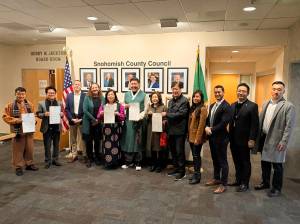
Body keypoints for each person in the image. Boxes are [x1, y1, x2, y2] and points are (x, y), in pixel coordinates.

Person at [254, 81, 296, 197]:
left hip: (277, 140)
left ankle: (277, 188)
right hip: (264, 137)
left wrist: (284, 141)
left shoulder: (288, 106)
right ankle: (265, 182)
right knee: (264, 162)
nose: (276, 91)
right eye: (274, 89)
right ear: (271, 90)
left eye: (279, 89)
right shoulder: (266, 103)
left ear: (283, 91)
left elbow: (289, 126)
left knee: (277, 165)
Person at [228, 83, 259, 192]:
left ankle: (245, 183)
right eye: (239, 90)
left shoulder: (252, 106)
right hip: (233, 139)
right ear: (236, 91)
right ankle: (238, 180)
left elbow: (255, 125)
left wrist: (252, 139)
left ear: (247, 93)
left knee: (245, 162)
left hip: (245, 140)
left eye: (243, 91)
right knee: (236, 161)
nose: (241, 93)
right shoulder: (232, 105)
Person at [2, 87, 38, 176]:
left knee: (29, 148)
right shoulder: (10, 105)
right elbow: (5, 117)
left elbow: (34, 115)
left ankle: (29, 163)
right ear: (15, 94)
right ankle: (18, 167)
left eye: (22, 94)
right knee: (18, 150)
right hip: (17, 131)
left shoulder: (30, 104)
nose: (21, 96)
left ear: (25, 95)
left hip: (28, 131)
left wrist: (34, 120)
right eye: (19, 94)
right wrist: (18, 120)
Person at [205, 85, 232, 194]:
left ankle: (223, 184)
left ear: (223, 92)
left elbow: (223, 123)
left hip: (221, 138)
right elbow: (208, 119)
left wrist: (211, 129)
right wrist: (206, 126)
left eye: (219, 92)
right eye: (215, 92)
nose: (217, 94)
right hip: (212, 137)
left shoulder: (227, 106)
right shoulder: (212, 105)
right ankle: (216, 178)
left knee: (223, 161)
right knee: (215, 159)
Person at [163, 82, 189, 180]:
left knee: (179, 152)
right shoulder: (170, 101)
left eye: (176, 89)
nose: (175, 91)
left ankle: (182, 172)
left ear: (180, 89)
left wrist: (166, 114)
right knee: (173, 151)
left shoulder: (185, 101)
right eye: (173, 89)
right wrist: (166, 118)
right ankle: (176, 168)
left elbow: (181, 114)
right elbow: (172, 114)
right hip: (171, 130)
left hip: (180, 131)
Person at [121, 77, 149, 171]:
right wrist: (125, 106)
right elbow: (123, 106)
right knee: (129, 141)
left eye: (135, 84)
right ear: (129, 84)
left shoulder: (144, 95)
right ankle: (129, 161)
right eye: (132, 84)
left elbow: (146, 109)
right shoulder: (126, 94)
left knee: (138, 141)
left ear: (139, 84)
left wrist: (139, 117)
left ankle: (138, 162)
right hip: (129, 121)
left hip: (139, 121)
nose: (133, 85)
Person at [36, 86, 64, 169]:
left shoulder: (60, 103)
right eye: (49, 93)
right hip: (46, 127)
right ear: (46, 94)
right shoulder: (41, 103)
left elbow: (62, 114)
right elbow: (38, 114)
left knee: (56, 144)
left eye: (53, 93)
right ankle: (48, 161)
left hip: (56, 127)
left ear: (55, 94)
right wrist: (44, 114)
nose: (51, 94)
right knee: (47, 145)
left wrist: (62, 115)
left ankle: (55, 159)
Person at [97, 89, 125, 169]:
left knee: (116, 145)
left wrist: (118, 114)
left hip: (116, 128)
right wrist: (101, 114)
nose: (110, 96)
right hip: (106, 129)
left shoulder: (119, 106)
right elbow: (98, 116)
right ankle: (107, 162)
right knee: (107, 145)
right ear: (106, 96)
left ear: (115, 96)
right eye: (108, 94)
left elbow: (123, 117)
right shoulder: (103, 106)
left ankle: (116, 162)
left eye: (112, 94)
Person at [187, 90, 207, 184]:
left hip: (196, 137)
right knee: (195, 156)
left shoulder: (203, 108)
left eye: (198, 96)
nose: (196, 98)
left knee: (196, 156)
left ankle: (197, 176)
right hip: (191, 136)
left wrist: (197, 138)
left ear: (201, 98)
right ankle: (195, 174)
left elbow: (201, 125)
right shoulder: (193, 108)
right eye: (194, 96)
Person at [82, 83, 103, 168]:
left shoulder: (102, 98)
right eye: (93, 87)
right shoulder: (87, 98)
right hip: (89, 123)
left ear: (99, 88)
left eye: (96, 87)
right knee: (89, 142)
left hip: (98, 123)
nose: (94, 89)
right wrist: (94, 119)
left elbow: (105, 108)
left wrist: (98, 120)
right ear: (90, 89)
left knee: (97, 141)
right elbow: (85, 110)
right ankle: (89, 158)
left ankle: (97, 157)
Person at [145, 91, 167, 173]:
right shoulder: (149, 107)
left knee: (159, 148)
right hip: (151, 130)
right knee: (152, 147)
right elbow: (146, 119)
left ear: (159, 98)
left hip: (160, 130)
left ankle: (159, 165)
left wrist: (164, 121)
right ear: (151, 98)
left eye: (156, 97)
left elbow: (166, 119)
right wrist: (148, 114)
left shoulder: (163, 107)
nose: (155, 98)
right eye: (153, 97)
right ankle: (153, 164)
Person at [65, 80, 86, 162]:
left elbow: (87, 109)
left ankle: (85, 155)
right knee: (73, 139)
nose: (77, 86)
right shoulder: (69, 96)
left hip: (82, 119)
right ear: (73, 86)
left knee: (83, 138)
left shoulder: (85, 96)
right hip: (72, 120)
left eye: (78, 84)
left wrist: (82, 118)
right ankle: (74, 155)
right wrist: (71, 118)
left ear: (81, 86)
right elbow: (67, 109)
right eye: (75, 84)